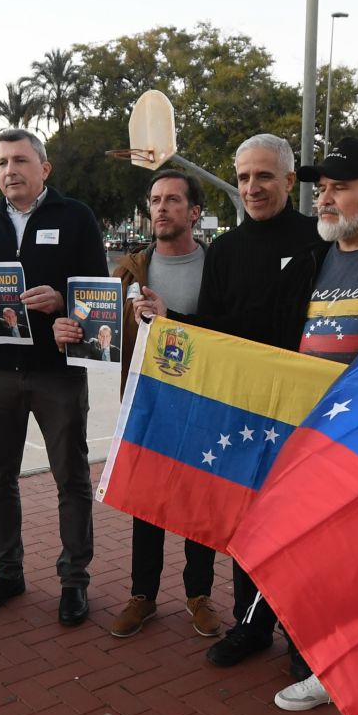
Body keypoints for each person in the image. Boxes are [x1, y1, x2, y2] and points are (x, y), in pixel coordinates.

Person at [146, 137, 358, 715]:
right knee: (330, 564)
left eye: (340, 186)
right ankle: (332, 668)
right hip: (314, 438)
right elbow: (258, 342)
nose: (328, 196)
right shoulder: (313, 261)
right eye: (325, 187)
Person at [0, 128, 108, 626]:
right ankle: (8, 571)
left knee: (71, 478)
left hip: (57, 374)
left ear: (45, 168)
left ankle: (74, 581)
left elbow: (99, 293)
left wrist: (63, 300)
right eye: (0, 163)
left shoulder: (75, 217)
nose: (9, 171)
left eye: (19, 160)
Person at [108, 170, 222, 641]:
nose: (162, 208)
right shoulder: (131, 269)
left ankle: (199, 595)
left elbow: (228, 330)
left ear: (194, 212)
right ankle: (143, 595)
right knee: (147, 503)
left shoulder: (218, 267)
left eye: (173, 200)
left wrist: (175, 321)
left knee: (199, 501)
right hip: (147, 403)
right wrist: (68, 335)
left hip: (203, 400)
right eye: (155, 200)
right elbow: (102, 330)